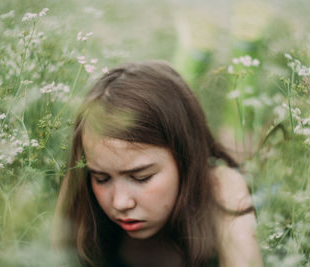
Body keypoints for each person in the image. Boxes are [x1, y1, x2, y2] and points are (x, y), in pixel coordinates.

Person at [52, 60, 263, 267]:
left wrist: (229, 187)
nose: (120, 203)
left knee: (238, 137)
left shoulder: (221, 188)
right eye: (102, 178)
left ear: (186, 159)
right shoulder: (83, 187)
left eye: (141, 178)